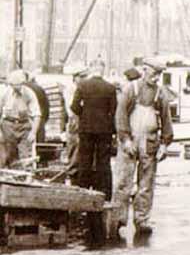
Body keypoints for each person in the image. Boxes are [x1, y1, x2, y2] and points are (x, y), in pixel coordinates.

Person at [114, 59, 173, 235]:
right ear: (145, 70)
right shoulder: (130, 89)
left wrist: (164, 144)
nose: (156, 78)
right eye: (154, 73)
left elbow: (166, 119)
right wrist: (125, 139)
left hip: (150, 141)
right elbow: (121, 115)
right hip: (130, 140)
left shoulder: (160, 93)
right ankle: (118, 218)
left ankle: (142, 219)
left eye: (159, 74)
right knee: (123, 182)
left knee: (146, 184)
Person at [70, 61, 117, 200]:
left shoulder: (82, 85)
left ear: (91, 69)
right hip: (104, 129)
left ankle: (83, 192)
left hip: (86, 128)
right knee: (104, 162)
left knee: (85, 160)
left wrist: (84, 114)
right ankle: (104, 194)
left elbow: (74, 106)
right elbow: (114, 110)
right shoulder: (110, 88)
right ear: (103, 70)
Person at [0, 69, 41, 168]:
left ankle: (23, 175)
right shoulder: (4, 93)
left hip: (24, 126)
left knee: (25, 155)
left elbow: (37, 114)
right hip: (8, 125)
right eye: (13, 85)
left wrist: (33, 132)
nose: (15, 87)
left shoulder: (29, 94)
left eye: (17, 85)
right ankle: (8, 176)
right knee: (8, 154)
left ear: (22, 83)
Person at [62, 67, 88, 184]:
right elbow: (72, 108)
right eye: (81, 77)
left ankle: (78, 174)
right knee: (74, 148)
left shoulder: (83, 88)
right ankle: (72, 175)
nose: (83, 79)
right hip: (74, 120)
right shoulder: (70, 89)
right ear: (75, 77)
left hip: (81, 120)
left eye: (85, 77)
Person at [25, 73, 49, 143]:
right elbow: (46, 104)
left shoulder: (20, 89)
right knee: (39, 143)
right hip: (39, 118)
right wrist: (44, 119)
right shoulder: (39, 88)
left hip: (25, 121)